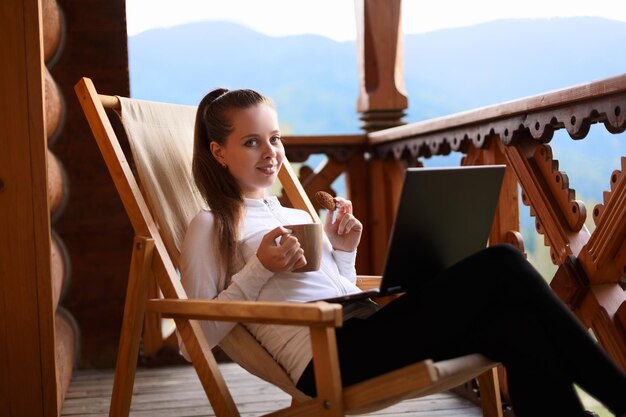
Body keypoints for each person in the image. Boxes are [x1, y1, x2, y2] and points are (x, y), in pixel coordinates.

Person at [181, 87, 626, 417]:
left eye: (274, 138)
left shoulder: (285, 211)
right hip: (328, 357)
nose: (270, 152)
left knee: (515, 326)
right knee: (503, 263)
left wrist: (343, 252)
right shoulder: (211, 225)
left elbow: (332, 290)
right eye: (251, 141)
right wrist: (258, 269)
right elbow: (192, 340)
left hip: (365, 329)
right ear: (219, 152)